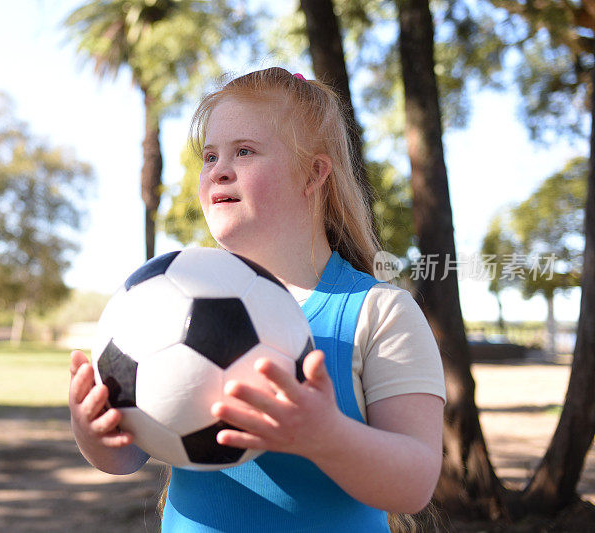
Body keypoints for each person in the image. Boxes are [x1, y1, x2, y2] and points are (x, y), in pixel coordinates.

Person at [68, 67, 446, 532]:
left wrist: (325, 435)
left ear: (314, 172)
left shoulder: (379, 312)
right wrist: (95, 433)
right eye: (210, 156)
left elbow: (414, 484)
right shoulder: (162, 306)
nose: (218, 169)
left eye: (243, 151)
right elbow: (126, 456)